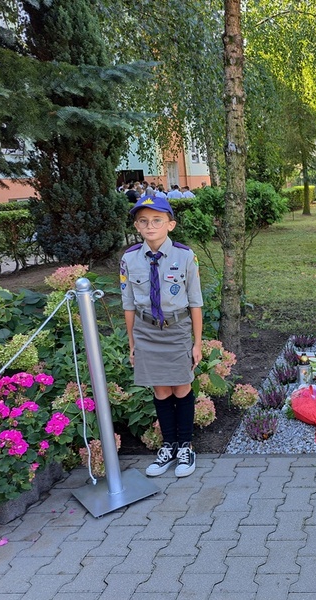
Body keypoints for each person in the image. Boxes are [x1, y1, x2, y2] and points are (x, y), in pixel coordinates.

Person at [120, 195, 204, 478]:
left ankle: (185, 447)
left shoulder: (185, 256)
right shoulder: (130, 259)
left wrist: (197, 343)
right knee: (160, 390)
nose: (150, 226)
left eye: (157, 220)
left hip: (176, 330)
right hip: (146, 331)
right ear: (136, 226)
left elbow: (195, 302)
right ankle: (169, 445)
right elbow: (128, 304)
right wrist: (132, 342)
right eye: (143, 221)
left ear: (171, 224)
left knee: (181, 388)